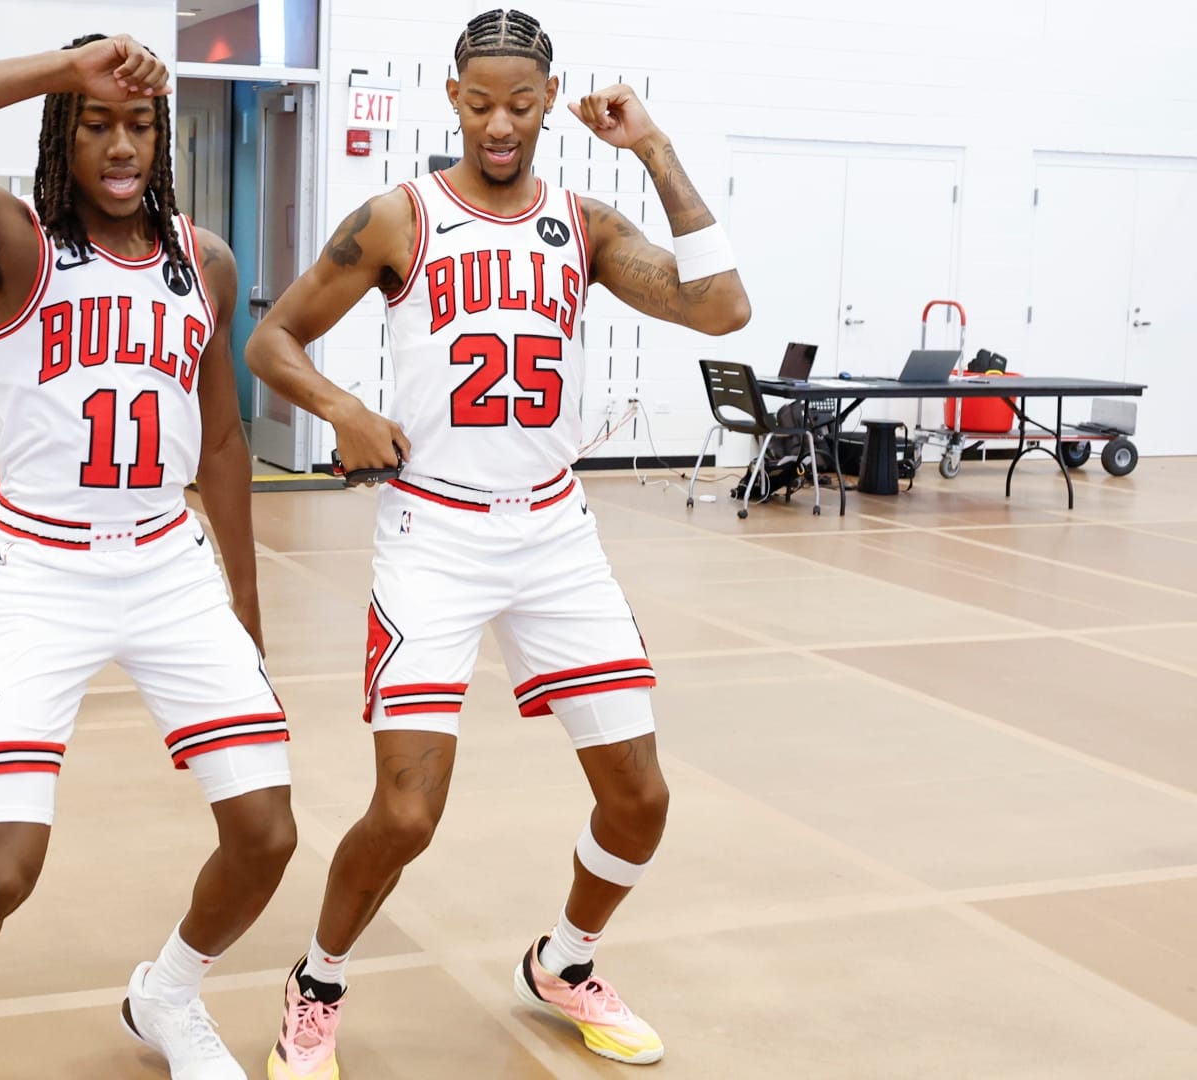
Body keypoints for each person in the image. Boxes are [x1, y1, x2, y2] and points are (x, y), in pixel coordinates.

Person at [244, 8, 751, 1075]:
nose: (502, 124)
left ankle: (564, 964)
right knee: (409, 810)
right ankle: (317, 983)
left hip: (556, 536)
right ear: (452, 98)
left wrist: (654, 147)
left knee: (641, 797)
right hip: (435, 535)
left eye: (523, 104)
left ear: (553, 99)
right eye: (482, 103)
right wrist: (340, 408)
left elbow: (722, 308)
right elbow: (271, 338)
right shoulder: (399, 217)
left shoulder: (589, 222)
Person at [0, 32, 298, 1080]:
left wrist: (246, 603)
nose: (122, 144)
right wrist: (60, 69)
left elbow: (222, 442)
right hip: (43, 571)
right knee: (4, 869)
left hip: (167, 562)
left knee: (267, 834)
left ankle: (167, 995)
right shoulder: (10, 241)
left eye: (141, 123)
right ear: (65, 133)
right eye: (98, 123)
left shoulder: (205, 261)